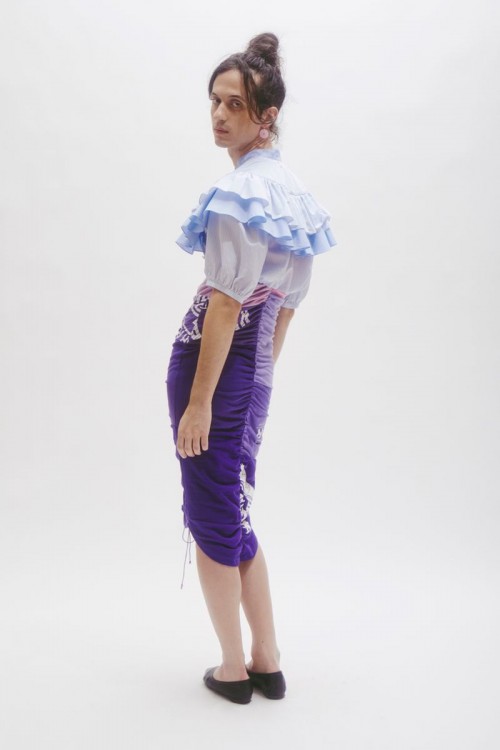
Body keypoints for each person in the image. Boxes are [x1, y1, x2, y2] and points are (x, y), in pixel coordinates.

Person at [165, 32, 337, 704]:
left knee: (213, 517)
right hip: (253, 371)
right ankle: (267, 657)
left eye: (234, 104)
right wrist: (253, 388)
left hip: (212, 369)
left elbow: (226, 303)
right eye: (214, 100)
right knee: (232, 510)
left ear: (267, 116)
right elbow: (284, 311)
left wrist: (202, 401)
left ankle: (234, 669)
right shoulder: (294, 195)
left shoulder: (239, 192)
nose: (218, 114)